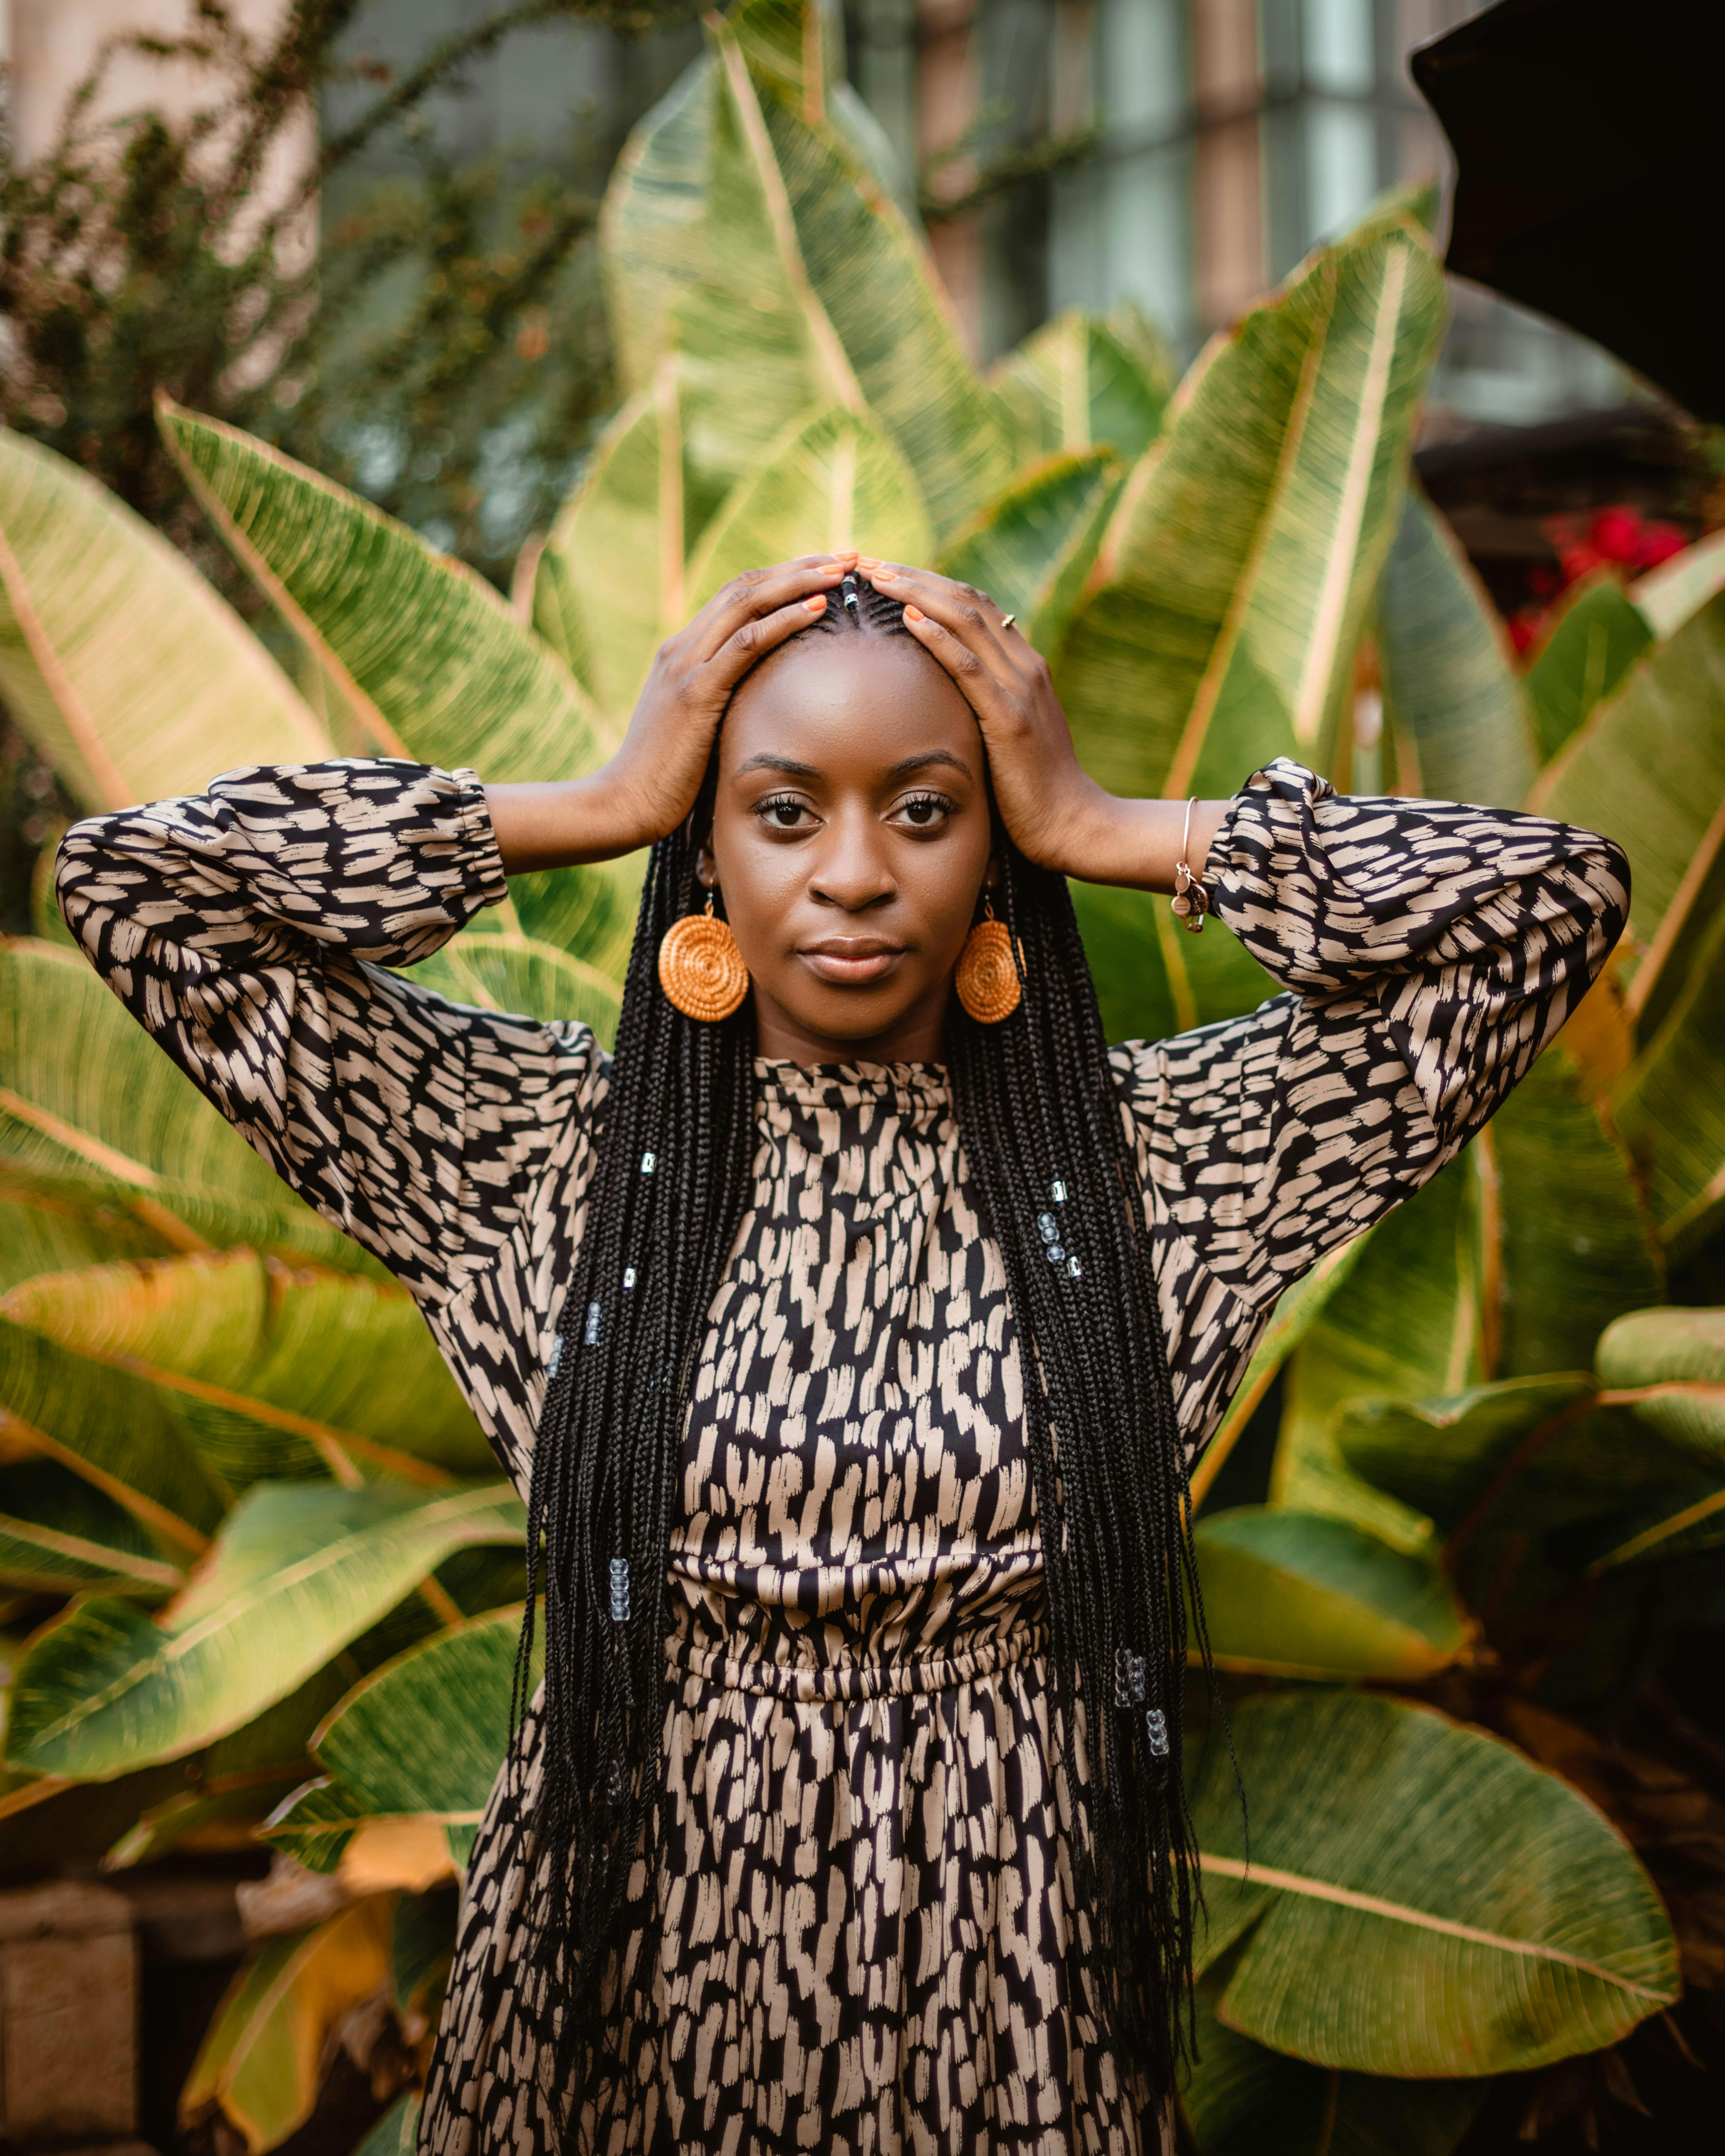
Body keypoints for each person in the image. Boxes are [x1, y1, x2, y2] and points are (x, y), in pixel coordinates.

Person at [56, 554, 1628, 2156]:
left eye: (928, 810)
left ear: (992, 839)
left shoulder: (1160, 1171)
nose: (856, 873)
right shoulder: (533, 1160)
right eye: (784, 809)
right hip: (633, 1975)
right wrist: (596, 801)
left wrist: (1102, 826)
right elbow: (136, 888)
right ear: (708, 841)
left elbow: (1544, 906)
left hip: (1012, 1979)